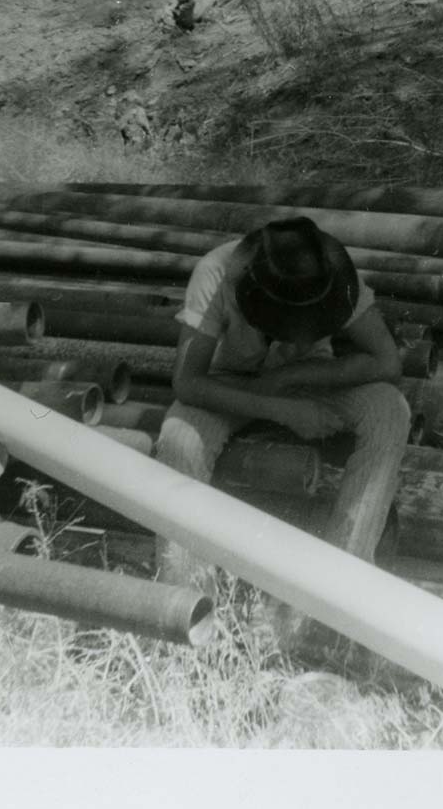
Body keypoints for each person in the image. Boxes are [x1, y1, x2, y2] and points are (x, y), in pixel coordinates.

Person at [153, 215, 410, 617]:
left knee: (389, 410)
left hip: (306, 379)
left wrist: (293, 376)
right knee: (179, 440)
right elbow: (188, 382)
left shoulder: (329, 273)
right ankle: (185, 605)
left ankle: (343, 585)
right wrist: (280, 409)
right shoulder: (216, 272)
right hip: (227, 386)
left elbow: (386, 362)